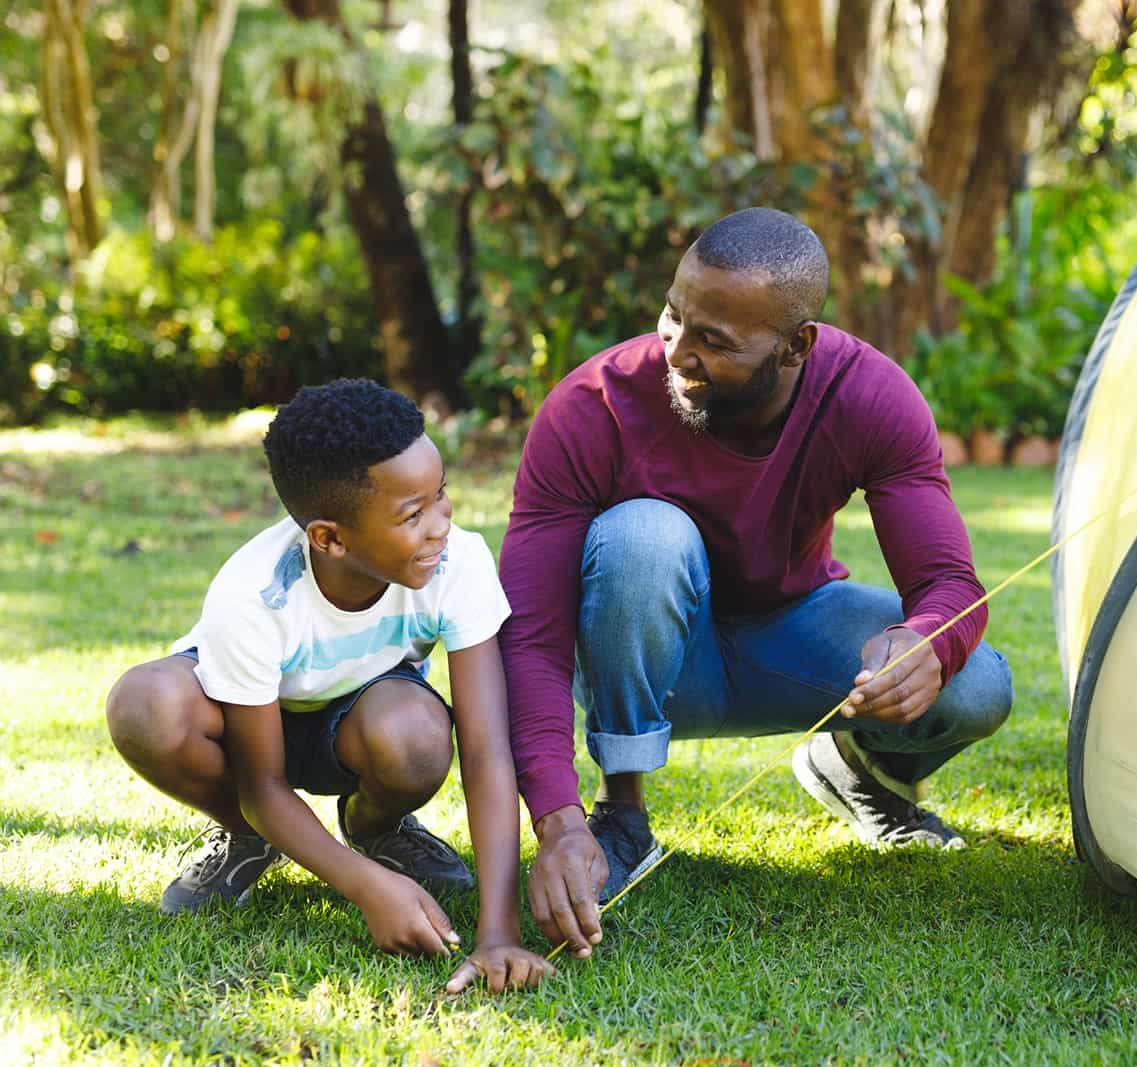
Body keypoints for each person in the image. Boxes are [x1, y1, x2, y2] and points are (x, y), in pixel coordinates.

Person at [499, 207, 1013, 956]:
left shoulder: (869, 395)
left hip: (789, 629)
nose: (678, 353)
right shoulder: (593, 408)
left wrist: (922, 642)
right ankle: (622, 812)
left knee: (977, 685)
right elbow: (532, 635)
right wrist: (557, 817)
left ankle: (863, 768)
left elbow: (948, 580)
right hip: (655, 661)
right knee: (644, 533)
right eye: (674, 318)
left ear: (796, 346)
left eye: (715, 341)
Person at [104, 379, 551, 993]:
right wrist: (363, 887)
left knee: (417, 736)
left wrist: (499, 933)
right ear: (330, 538)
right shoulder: (253, 596)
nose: (440, 525)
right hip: (249, 729)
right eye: (411, 514)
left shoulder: (457, 563)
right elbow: (264, 782)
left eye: (440, 496)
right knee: (144, 705)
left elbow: (486, 752)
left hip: (364, 720)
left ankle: (375, 829)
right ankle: (246, 837)